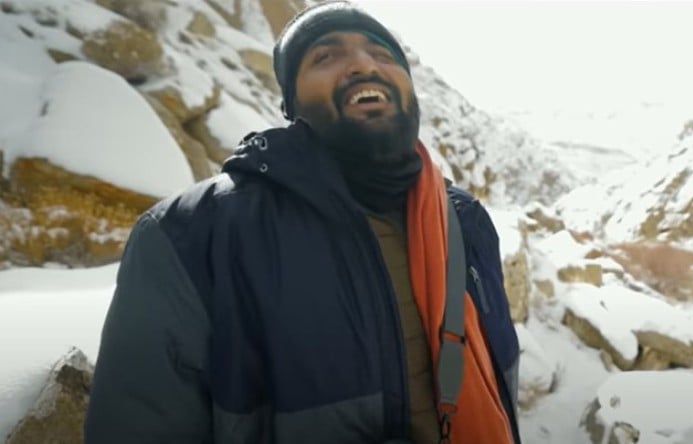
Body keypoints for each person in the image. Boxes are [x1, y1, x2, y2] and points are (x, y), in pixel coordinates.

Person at [84, 2, 520, 443]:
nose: (364, 65)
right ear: (292, 104)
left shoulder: (465, 221)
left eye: (383, 54)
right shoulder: (193, 235)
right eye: (326, 56)